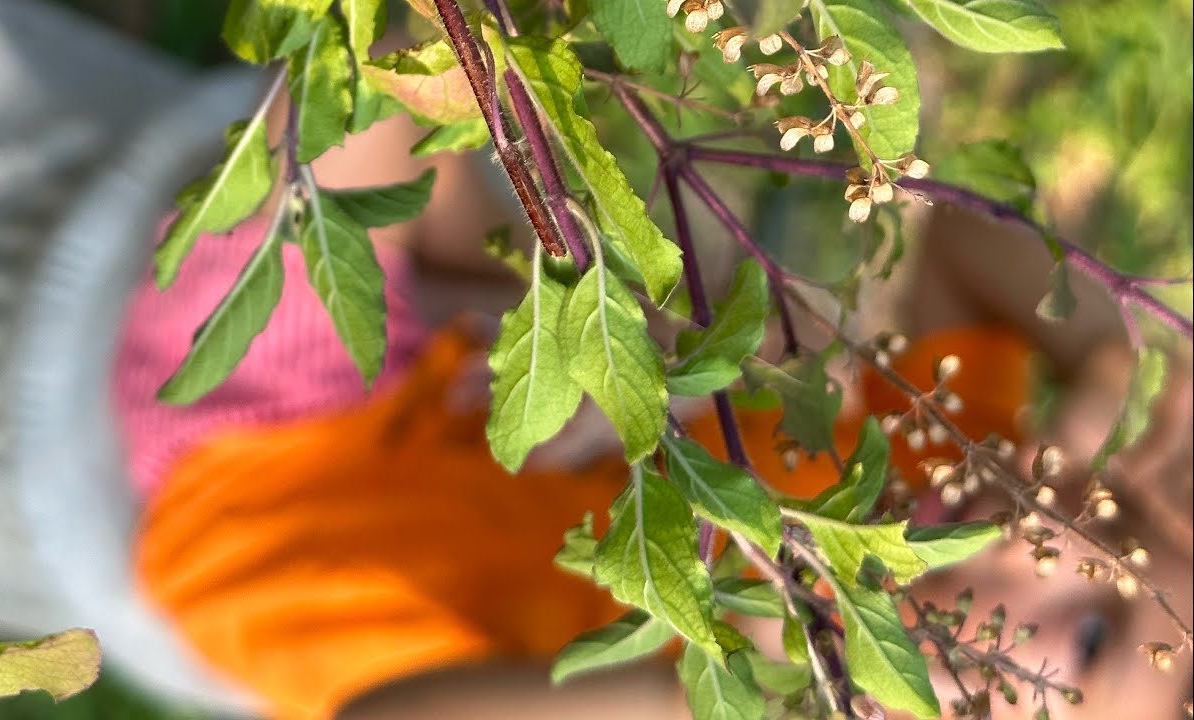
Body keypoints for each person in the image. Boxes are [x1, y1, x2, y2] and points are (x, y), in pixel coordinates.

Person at [112, 84, 1193, 720]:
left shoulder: (773, 690)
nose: (1037, 550)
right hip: (448, 379)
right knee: (418, 81)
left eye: (1095, 635)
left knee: (351, 115)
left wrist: (748, 681)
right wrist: (1114, 359)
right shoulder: (949, 469)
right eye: (1121, 537)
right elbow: (959, 241)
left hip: (272, 495)